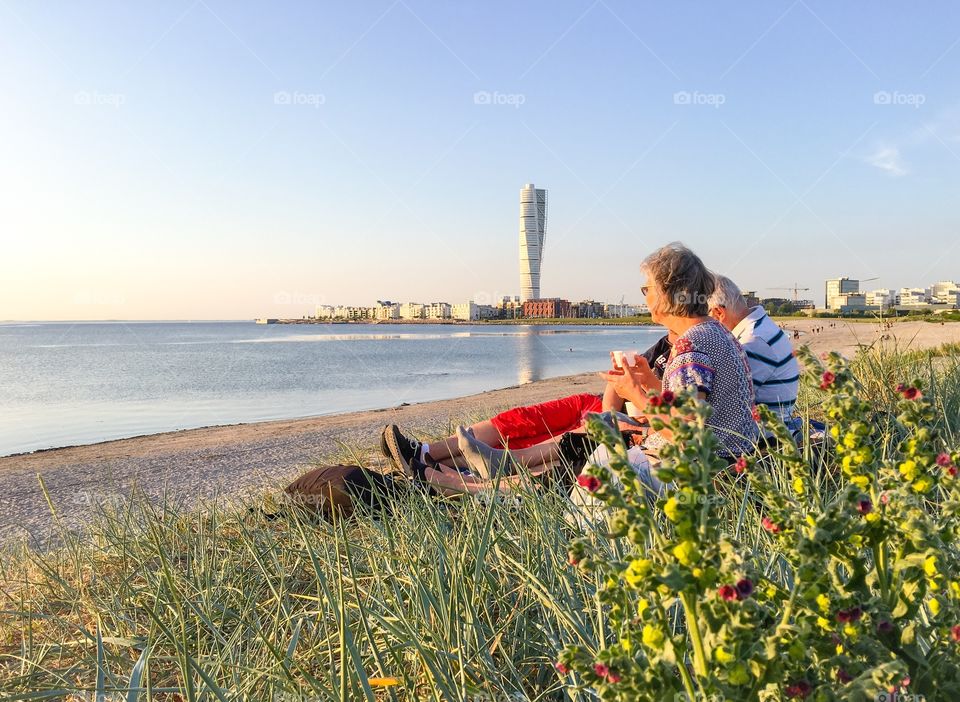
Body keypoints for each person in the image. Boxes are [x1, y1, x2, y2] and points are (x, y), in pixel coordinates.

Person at [380, 334, 673, 474]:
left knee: (542, 442)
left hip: (629, 423)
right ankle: (426, 453)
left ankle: (436, 469)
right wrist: (618, 381)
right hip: (598, 404)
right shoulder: (667, 343)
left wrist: (628, 401)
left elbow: (670, 419)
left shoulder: (698, 354)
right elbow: (622, 380)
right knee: (520, 420)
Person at [707, 275, 800, 430]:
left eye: (703, 317)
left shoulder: (752, 341)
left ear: (718, 313)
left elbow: (720, 405)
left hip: (763, 436)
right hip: (771, 427)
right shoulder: (759, 328)